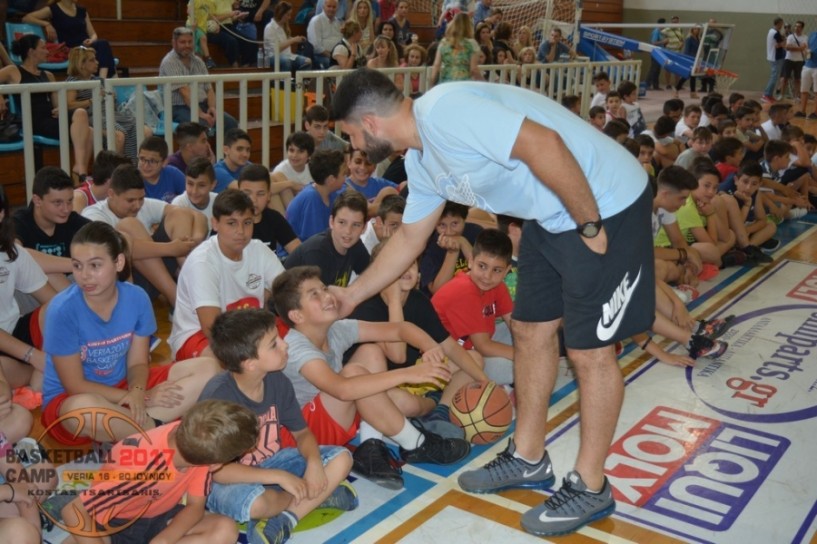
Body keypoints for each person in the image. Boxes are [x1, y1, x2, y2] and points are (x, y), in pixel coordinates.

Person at [331, 68, 654, 536]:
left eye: (351, 135)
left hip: (603, 204)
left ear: (370, 123)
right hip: (548, 214)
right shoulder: (423, 163)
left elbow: (545, 145)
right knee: (529, 330)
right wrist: (353, 295)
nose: (355, 146)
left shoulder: (445, 110)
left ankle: (590, 485)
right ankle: (528, 458)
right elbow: (408, 239)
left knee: (589, 351)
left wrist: (589, 224)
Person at [272, 265, 471, 489]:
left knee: (371, 352)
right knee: (355, 376)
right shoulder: (296, 348)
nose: (327, 296)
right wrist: (408, 374)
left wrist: (429, 346)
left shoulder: (336, 330)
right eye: (314, 295)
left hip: (330, 417)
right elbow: (342, 390)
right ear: (297, 315)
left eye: (324, 289)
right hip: (299, 440)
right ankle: (416, 443)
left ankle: (370, 445)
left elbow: (399, 329)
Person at [41, 221, 220, 445]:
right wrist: (139, 397)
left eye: (95, 265)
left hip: (126, 388)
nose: (84, 275)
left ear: (119, 262)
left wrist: (137, 391)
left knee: (209, 368)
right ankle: (163, 436)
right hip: (74, 399)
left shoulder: (137, 297)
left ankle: (132, 433)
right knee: (84, 411)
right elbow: (74, 385)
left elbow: (137, 364)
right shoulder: (62, 310)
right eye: (77, 266)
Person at [201, 309, 357, 544]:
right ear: (250, 363)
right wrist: (281, 477)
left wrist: (314, 463)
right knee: (255, 503)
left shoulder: (276, 380)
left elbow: (302, 433)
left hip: (272, 464)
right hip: (225, 480)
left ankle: (286, 518)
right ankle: (317, 497)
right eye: (274, 344)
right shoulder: (219, 397)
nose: (285, 346)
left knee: (342, 459)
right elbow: (218, 471)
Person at [60, 399, 258, 544]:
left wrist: (165, 539)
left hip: (158, 516)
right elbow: (73, 510)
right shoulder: (140, 471)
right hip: (113, 523)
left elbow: (196, 506)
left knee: (225, 529)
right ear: (216, 464)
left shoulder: (198, 443)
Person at [169, 189, 284, 361]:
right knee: (225, 365)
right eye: (231, 223)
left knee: (298, 333)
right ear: (214, 224)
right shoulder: (202, 262)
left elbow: (287, 291)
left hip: (250, 328)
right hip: (199, 336)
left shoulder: (259, 249)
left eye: (247, 223)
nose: (241, 231)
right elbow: (212, 329)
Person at [81, 164, 207, 307]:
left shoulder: (143, 204)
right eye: (130, 200)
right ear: (111, 194)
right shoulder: (92, 214)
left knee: (180, 214)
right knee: (129, 226)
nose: (137, 205)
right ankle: (177, 299)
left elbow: (197, 216)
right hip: (124, 279)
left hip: (157, 274)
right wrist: (172, 248)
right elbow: (113, 251)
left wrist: (194, 241)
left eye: (141, 198)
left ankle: (189, 279)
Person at [0, 34, 93, 182]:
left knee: (89, 130)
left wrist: (60, 109)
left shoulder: (48, 75)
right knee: (84, 122)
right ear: (31, 51)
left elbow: (57, 105)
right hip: (33, 122)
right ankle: (79, 173)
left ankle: (78, 172)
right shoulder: (13, 71)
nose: (47, 51)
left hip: (50, 119)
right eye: (43, 48)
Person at [431, 228, 515, 385]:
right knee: (514, 368)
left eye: (496, 270)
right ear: (470, 261)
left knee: (531, 335)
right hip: (449, 359)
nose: (487, 276)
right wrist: (526, 355)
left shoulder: (498, 286)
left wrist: (531, 348)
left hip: (475, 347)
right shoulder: (465, 290)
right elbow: (483, 347)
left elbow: (515, 325)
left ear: (506, 271)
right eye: (482, 266)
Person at [0, 187, 54, 395]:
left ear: (2, 214)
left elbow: (57, 303)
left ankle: (41, 371)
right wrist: (33, 356)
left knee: (58, 308)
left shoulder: (13, 253)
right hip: (18, 354)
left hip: (15, 332)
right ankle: (38, 371)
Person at [13, 166, 90, 293]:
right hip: (27, 293)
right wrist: (79, 264)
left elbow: (108, 239)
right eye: (57, 203)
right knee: (45, 270)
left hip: (66, 285)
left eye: (70, 201)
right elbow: (17, 254)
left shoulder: (72, 220)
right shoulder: (20, 222)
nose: (66, 209)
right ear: (37, 200)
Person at [159, 27, 238, 133]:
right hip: (178, 107)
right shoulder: (169, 62)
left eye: (190, 42)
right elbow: (184, 92)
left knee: (230, 122)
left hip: (202, 104)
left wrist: (212, 108)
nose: (187, 45)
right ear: (174, 43)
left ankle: (223, 150)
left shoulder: (198, 61)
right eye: (183, 42)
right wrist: (200, 114)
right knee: (202, 125)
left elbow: (209, 88)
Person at [284, 190, 370, 287]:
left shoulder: (355, 245)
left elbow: (373, 277)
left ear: (364, 228)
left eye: (356, 225)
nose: (348, 231)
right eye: (342, 222)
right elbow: (319, 297)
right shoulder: (317, 251)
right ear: (331, 222)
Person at [23, 0, 117, 78]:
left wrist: (91, 40)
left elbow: (93, 34)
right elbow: (27, 18)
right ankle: (105, 81)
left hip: (86, 46)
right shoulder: (53, 9)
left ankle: (102, 80)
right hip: (70, 49)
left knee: (103, 45)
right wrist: (46, 24)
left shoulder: (82, 10)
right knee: (103, 49)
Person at [237, 164, 302, 255]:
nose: (253, 200)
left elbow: (299, 253)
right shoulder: (228, 221)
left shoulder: (274, 218)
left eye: (260, 194)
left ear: (269, 195)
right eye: (247, 194)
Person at [419, 201, 481, 295]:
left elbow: (483, 273)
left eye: (455, 223)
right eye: (442, 225)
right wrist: (452, 252)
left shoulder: (476, 233)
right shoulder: (428, 244)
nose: (449, 232)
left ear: (464, 220)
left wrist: (463, 242)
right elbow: (438, 291)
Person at [287, 149, 347, 241]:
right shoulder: (311, 198)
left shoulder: (331, 193)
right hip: (295, 253)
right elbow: (313, 241)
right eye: (343, 174)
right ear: (331, 179)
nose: (345, 179)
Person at [268, 131, 315, 214]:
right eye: (291, 150)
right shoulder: (281, 170)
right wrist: (291, 184)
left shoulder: (313, 168)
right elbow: (266, 189)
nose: (294, 155)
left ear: (309, 155)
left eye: (300, 151)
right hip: (289, 210)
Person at [430, 12, 482, 85]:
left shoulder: (444, 42)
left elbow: (436, 65)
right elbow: (473, 69)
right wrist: (484, 83)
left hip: (446, 83)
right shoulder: (472, 44)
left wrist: (432, 85)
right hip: (464, 83)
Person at [138, 135, 189, 204]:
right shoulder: (133, 179)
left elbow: (190, 198)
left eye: (152, 161)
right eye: (142, 159)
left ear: (165, 162)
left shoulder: (173, 174)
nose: (146, 165)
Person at [264, 2, 313, 73]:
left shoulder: (283, 27)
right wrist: (293, 40)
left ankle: (298, 82)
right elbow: (276, 48)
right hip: (272, 57)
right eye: (288, 15)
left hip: (287, 55)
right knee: (286, 61)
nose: (289, 18)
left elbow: (285, 41)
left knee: (307, 61)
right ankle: (284, 83)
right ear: (281, 14)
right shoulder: (270, 28)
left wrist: (297, 39)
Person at [172, 157, 219, 227]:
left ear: (213, 185)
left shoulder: (218, 202)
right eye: (190, 184)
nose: (194, 191)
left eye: (201, 185)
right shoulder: (179, 204)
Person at [214, 127, 252, 192]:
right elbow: (245, 191)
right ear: (226, 150)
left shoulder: (248, 166)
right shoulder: (217, 171)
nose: (245, 154)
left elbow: (269, 178)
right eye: (239, 149)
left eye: (248, 150)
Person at [307, 0, 343, 69]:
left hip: (337, 55)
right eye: (329, 6)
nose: (331, 9)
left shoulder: (339, 22)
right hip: (321, 56)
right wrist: (332, 57)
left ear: (337, 8)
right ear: (323, 7)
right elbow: (316, 46)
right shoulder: (316, 21)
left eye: (334, 7)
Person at [674, 25, 702, 99]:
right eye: (695, 29)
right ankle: (676, 89)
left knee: (693, 76)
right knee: (686, 75)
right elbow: (686, 50)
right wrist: (688, 60)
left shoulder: (698, 39)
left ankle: (693, 93)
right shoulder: (689, 39)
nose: (697, 30)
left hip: (695, 59)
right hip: (689, 59)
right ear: (692, 29)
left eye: (698, 29)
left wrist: (697, 59)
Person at [782, 20, 807, 100]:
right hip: (788, 59)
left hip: (799, 60)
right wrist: (798, 48)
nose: (796, 28)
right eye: (796, 26)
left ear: (802, 28)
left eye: (799, 26)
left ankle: (797, 96)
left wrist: (794, 47)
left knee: (797, 79)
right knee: (785, 78)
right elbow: (788, 48)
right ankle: (781, 96)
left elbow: (803, 48)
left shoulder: (805, 37)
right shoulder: (790, 37)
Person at [763, 17, 786, 103]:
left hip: (772, 57)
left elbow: (777, 43)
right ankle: (766, 94)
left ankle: (769, 95)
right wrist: (784, 42)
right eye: (781, 24)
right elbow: (778, 45)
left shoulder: (771, 31)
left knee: (774, 77)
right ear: (779, 23)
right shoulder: (776, 33)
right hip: (775, 57)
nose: (782, 26)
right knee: (774, 77)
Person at [796, 28, 817, 119]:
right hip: (808, 65)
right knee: (804, 90)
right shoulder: (812, 34)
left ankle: (815, 113)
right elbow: (806, 47)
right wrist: (806, 51)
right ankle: (802, 111)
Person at [646, 18, 668, 91]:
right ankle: (647, 84)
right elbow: (653, 43)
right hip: (655, 52)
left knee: (658, 69)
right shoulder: (656, 31)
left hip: (660, 52)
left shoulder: (662, 32)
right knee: (653, 69)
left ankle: (656, 85)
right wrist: (663, 41)